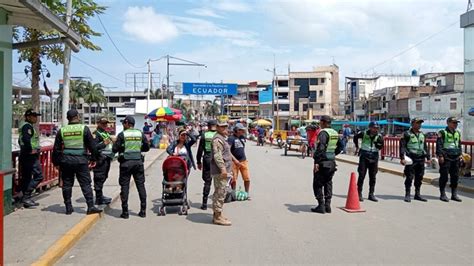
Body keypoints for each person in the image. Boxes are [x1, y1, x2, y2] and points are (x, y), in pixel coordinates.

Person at [52, 109, 102, 215]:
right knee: (85, 184)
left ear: (67, 118)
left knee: (67, 184)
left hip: (66, 161)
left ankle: (68, 207)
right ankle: (90, 207)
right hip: (81, 160)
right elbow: (92, 146)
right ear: (78, 117)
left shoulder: (62, 130)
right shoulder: (84, 129)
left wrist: (56, 163)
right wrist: (94, 159)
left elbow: (56, 149)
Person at [112, 116, 150, 219]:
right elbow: (147, 148)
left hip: (125, 163)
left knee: (124, 187)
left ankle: (125, 212)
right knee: (140, 186)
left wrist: (119, 145)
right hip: (138, 163)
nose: (123, 125)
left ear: (127, 123)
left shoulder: (122, 135)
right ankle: (143, 211)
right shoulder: (140, 133)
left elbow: (114, 149)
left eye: (124, 123)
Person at [311, 115, 343, 214]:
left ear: (323, 122)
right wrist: (333, 154)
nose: (320, 124)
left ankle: (321, 205)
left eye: (321, 122)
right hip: (331, 162)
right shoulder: (334, 133)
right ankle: (327, 205)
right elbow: (341, 146)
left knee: (318, 183)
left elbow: (320, 148)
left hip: (323, 162)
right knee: (328, 183)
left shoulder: (323, 133)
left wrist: (316, 162)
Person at [400, 118, 430, 202]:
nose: (419, 125)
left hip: (420, 158)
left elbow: (425, 147)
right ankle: (407, 194)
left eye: (420, 123)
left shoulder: (422, 135)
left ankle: (417, 194)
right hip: (411, 159)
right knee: (409, 177)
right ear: (412, 124)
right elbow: (402, 147)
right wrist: (402, 158)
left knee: (419, 177)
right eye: (417, 123)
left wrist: (428, 158)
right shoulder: (406, 134)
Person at [18, 109, 44, 208]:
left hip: (25, 155)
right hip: (29, 156)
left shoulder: (26, 126)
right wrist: (31, 150)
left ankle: (26, 199)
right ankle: (26, 196)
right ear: (28, 117)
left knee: (27, 177)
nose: (35, 118)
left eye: (36, 116)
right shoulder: (27, 126)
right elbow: (26, 139)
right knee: (39, 176)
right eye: (33, 116)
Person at [354, 121, 384, 202]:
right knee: (361, 175)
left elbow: (381, 146)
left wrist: (378, 145)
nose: (375, 130)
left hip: (374, 156)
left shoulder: (379, 136)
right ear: (370, 128)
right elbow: (355, 137)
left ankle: (371, 194)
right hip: (364, 156)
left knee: (373, 177)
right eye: (374, 128)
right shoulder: (363, 133)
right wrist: (357, 146)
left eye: (377, 128)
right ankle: (359, 193)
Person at [210, 119, 233, 226]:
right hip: (220, 171)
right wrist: (223, 169)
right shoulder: (217, 139)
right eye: (222, 126)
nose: (224, 128)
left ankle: (217, 214)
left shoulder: (222, 138)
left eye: (225, 126)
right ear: (217, 127)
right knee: (220, 192)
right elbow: (217, 155)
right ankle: (217, 217)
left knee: (220, 192)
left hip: (223, 170)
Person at [436, 117, 463, 202]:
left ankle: (454, 194)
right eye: (453, 122)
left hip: (456, 157)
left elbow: (459, 145)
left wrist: (460, 155)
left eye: (456, 123)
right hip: (446, 158)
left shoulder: (457, 133)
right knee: (444, 176)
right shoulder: (442, 133)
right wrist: (440, 156)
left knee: (455, 177)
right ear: (448, 123)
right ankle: (442, 194)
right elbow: (439, 145)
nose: (455, 124)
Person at [196, 120, 217, 210]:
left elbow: (200, 150)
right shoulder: (219, 135)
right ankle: (217, 204)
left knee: (207, 182)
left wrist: (198, 162)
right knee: (218, 183)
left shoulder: (204, 135)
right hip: (217, 159)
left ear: (208, 126)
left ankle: (204, 204)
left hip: (207, 159)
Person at [92, 117, 114, 205]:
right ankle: (98, 198)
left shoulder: (105, 133)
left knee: (104, 177)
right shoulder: (96, 134)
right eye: (103, 123)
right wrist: (103, 143)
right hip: (100, 158)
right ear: (98, 123)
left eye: (106, 123)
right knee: (99, 178)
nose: (105, 125)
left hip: (107, 158)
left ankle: (100, 196)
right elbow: (94, 147)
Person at [228, 123, 251, 195]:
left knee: (247, 178)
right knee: (233, 179)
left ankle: (247, 193)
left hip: (243, 161)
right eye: (242, 130)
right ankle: (233, 193)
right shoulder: (231, 138)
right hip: (234, 162)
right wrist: (235, 160)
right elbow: (228, 151)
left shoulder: (242, 137)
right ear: (237, 130)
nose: (243, 131)